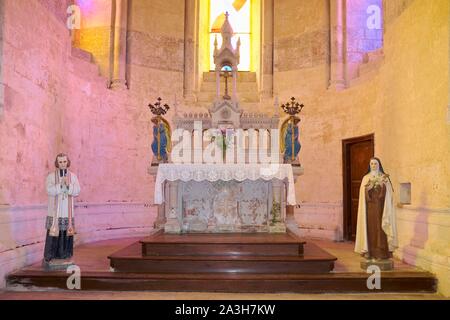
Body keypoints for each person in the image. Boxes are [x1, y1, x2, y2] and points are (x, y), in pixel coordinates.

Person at [355, 157, 398, 261]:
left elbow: (389, 194)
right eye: (372, 164)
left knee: (381, 229)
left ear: (379, 165)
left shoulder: (384, 177)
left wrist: (382, 186)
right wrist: (368, 189)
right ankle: (369, 252)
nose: (374, 165)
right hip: (370, 209)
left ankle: (381, 253)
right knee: (370, 229)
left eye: (375, 163)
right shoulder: (366, 178)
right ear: (369, 165)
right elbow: (362, 194)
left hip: (382, 209)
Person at [43, 153, 81, 267]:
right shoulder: (50, 176)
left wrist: (68, 187)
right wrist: (60, 185)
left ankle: (65, 255)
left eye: (64, 161)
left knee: (66, 232)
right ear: (57, 163)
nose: (63, 164)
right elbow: (49, 190)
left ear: (67, 162)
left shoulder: (73, 176)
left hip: (67, 211)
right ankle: (50, 257)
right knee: (54, 232)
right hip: (55, 211)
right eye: (60, 162)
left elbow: (77, 190)